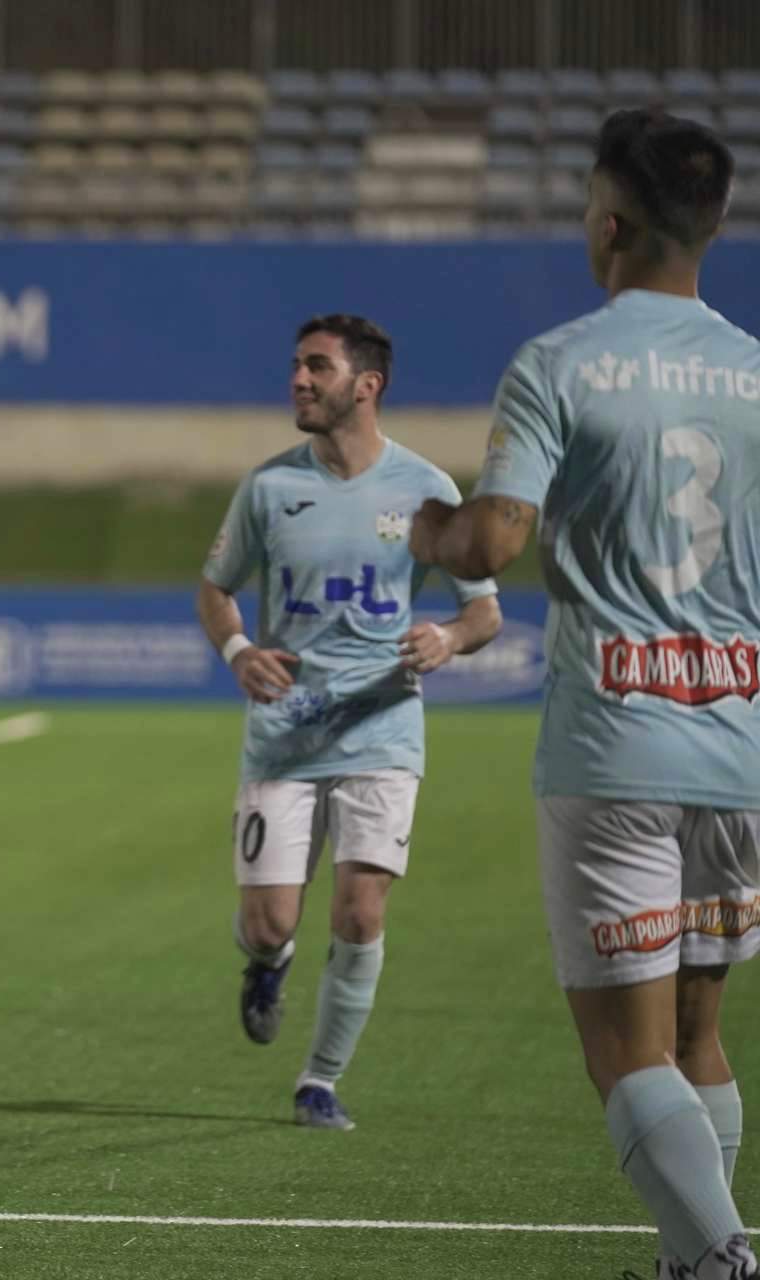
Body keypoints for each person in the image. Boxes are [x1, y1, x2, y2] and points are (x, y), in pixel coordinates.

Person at [412, 109, 758, 1280]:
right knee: (700, 1033)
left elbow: (488, 542)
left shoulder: (563, 361)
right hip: (741, 742)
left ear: (608, 223)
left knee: (626, 1052)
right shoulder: (756, 372)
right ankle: (687, 1257)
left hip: (617, 743)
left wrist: (426, 521)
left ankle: (718, 1259)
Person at [197, 314, 501, 1130]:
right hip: (285, 734)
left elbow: (485, 614)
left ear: (366, 386)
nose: (298, 379)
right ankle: (267, 963)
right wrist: (235, 650)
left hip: (383, 731)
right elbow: (215, 587)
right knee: (271, 922)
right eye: (296, 365)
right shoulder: (268, 488)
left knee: (361, 911)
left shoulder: (428, 489)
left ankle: (320, 1080)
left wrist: (447, 635)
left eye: (317, 368)